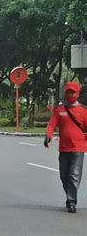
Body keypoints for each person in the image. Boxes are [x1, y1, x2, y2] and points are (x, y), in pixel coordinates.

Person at [45, 82, 87, 213]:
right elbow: (52, 124)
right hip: (63, 149)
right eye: (68, 92)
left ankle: (71, 202)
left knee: (74, 175)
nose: (70, 94)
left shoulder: (83, 111)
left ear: (77, 94)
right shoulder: (60, 110)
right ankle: (70, 195)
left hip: (78, 148)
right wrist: (48, 135)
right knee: (64, 176)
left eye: (72, 92)